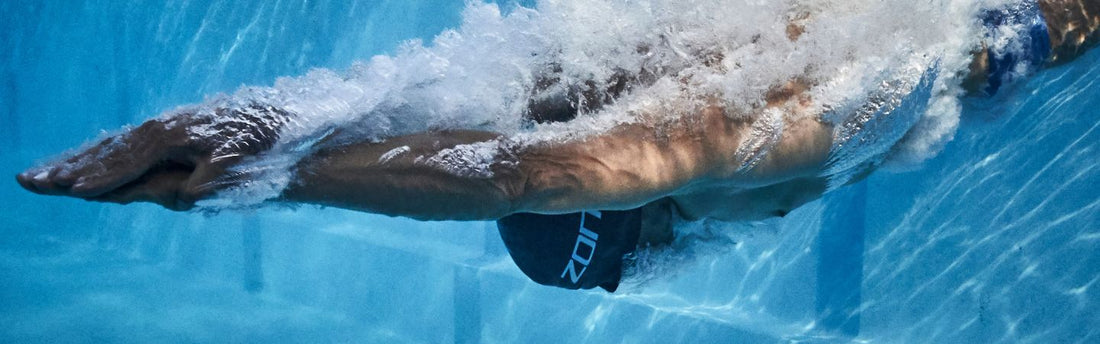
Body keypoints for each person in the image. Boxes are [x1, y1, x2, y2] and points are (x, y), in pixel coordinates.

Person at [15, 0, 1099, 292]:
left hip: (968, 50)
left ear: (648, 219)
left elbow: (532, 171)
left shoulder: (765, 140)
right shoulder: (655, 78)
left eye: (637, 252)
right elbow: (481, 130)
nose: (670, 257)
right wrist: (275, 141)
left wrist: (268, 173)